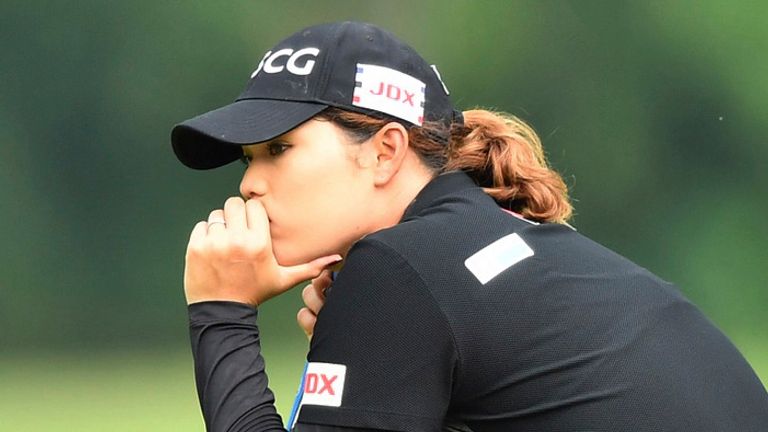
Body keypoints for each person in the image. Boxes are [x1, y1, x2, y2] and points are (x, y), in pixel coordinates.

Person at [171, 21, 768, 432]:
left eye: (279, 147)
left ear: (385, 152)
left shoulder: (397, 270)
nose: (250, 184)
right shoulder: (483, 238)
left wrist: (220, 313)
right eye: (249, 159)